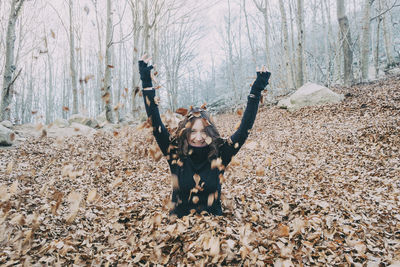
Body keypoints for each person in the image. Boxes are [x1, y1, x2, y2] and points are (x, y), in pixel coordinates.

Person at [139, 54, 271, 218]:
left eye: (204, 131)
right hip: (177, 231)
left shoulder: (221, 153)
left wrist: (256, 89)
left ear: (211, 132)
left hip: (214, 231)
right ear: (185, 132)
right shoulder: (175, 152)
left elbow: (244, 129)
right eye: (193, 131)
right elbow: (155, 123)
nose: (198, 137)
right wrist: (146, 81)